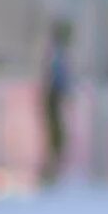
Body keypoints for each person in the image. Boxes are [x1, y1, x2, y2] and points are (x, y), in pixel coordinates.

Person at [39, 19, 74, 185]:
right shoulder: (57, 53)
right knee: (55, 131)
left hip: (55, 95)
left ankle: (55, 164)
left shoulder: (57, 52)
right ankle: (53, 164)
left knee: (56, 131)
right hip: (54, 95)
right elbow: (56, 76)